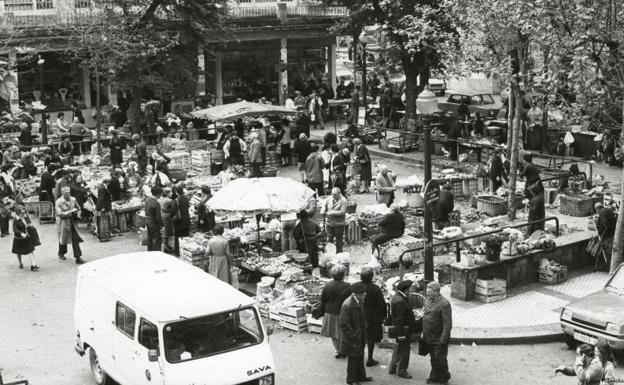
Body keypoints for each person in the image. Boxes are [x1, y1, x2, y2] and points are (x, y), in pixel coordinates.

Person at [339, 281, 372, 385]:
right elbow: (344, 324)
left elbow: (362, 317)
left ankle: (361, 376)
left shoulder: (359, 301)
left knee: (360, 357)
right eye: (363, 293)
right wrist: (353, 336)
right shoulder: (347, 305)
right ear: (357, 294)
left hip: (359, 335)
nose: (365, 294)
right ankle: (351, 380)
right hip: (352, 338)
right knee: (353, 360)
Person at [422, 281, 452, 385]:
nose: (427, 293)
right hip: (429, 337)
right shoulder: (429, 300)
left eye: (430, 292)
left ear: (436, 292)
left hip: (439, 338)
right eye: (427, 291)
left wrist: (443, 339)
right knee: (433, 359)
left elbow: (447, 324)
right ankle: (434, 377)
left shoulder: (444, 304)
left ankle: (444, 377)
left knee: (440, 359)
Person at [318, 264, 351, 359]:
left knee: (333, 333)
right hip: (342, 313)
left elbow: (323, 299)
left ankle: (338, 351)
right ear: (343, 274)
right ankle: (343, 350)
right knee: (342, 333)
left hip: (330, 312)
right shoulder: (347, 286)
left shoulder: (328, 285)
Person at [389, 280, 417, 378]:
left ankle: (392, 368)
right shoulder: (401, 301)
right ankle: (402, 370)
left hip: (402, 330)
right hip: (404, 330)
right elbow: (399, 320)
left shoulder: (398, 297)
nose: (412, 289)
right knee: (405, 351)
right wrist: (401, 334)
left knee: (398, 349)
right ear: (407, 289)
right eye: (411, 288)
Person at [360, 267, 386, 368]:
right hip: (372, 318)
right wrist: (383, 316)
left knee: (361, 337)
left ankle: (360, 357)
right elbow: (381, 304)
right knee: (371, 339)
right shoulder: (375, 289)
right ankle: (369, 358)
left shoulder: (356, 287)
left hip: (360, 316)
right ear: (371, 277)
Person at [55, 186, 85, 264]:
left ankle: (78, 257)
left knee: (75, 239)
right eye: (66, 193)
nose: (68, 194)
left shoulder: (73, 199)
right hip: (63, 222)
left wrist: (78, 213)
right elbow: (60, 214)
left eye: (69, 192)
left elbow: (78, 208)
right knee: (63, 238)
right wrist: (69, 213)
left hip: (73, 222)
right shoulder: (58, 202)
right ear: (62, 194)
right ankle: (61, 252)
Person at [12, 205, 40, 271]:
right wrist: (21, 233)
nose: (23, 214)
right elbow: (14, 229)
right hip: (19, 238)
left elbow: (29, 223)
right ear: (18, 213)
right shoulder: (15, 219)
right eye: (22, 213)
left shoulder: (26, 216)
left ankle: (33, 265)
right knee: (19, 251)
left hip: (27, 236)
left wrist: (31, 226)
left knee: (31, 249)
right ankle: (20, 262)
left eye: (24, 212)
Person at [594, 202, 617, 272]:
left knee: (608, 252)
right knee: (608, 251)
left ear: (596, 209)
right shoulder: (607, 210)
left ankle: (609, 267)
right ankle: (604, 266)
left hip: (607, 236)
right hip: (612, 233)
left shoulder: (601, 213)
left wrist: (602, 235)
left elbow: (605, 224)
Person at [325, 187, 348, 253]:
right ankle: (330, 254)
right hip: (329, 223)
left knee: (339, 240)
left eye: (335, 194)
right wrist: (323, 208)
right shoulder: (330, 198)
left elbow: (342, 212)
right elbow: (325, 204)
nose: (333, 196)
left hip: (339, 224)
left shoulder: (344, 200)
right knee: (329, 239)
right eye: (332, 194)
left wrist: (331, 212)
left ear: (339, 194)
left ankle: (339, 254)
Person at [170, 184, 191, 256]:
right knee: (185, 237)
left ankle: (178, 252)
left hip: (179, 222)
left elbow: (173, 211)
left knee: (178, 237)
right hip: (186, 220)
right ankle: (186, 253)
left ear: (176, 192)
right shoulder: (186, 198)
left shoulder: (176, 201)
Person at [144, 186, 163, 251]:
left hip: (148, 221)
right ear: (158, 194)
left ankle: (150, 251)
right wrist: (161, 225)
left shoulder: (147, 200)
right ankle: (156, 252)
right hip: (154, 223)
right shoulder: (156, 203)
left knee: (150, 238)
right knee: (156, 239)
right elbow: (158, 216)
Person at [95, 176, 113, 241]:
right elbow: (101, 199)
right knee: (105, 221)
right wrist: (102, 207)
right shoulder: (103, 188)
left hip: (104, 206)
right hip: (104, 207)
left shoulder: (102, 187)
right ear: (107, 182)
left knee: (104, 221)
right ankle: (104, 236)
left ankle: (104, 235)